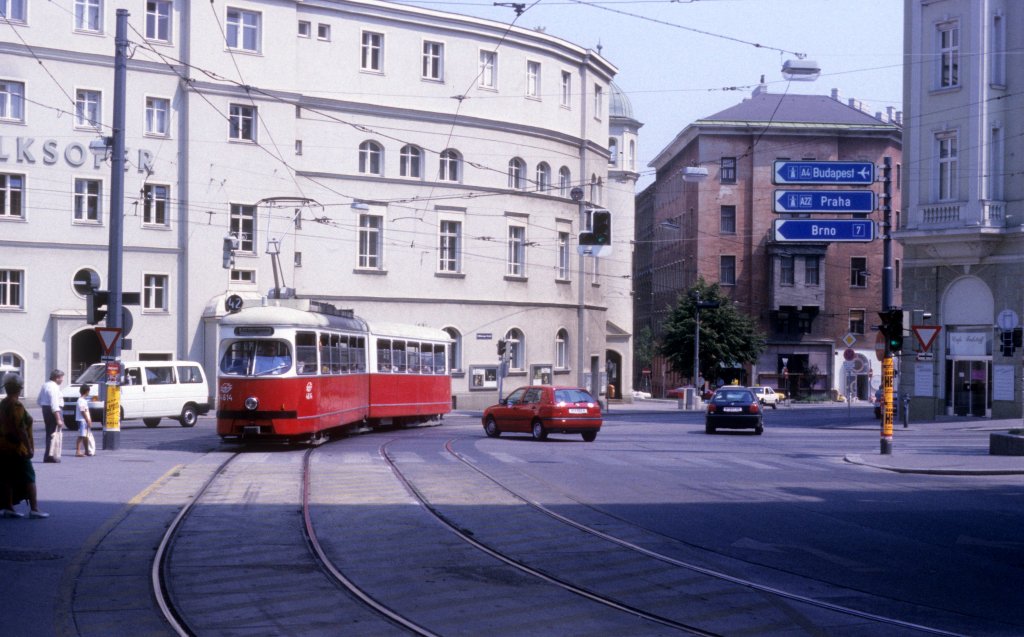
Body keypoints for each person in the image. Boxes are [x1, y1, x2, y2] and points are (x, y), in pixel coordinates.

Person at [0, 374, 49, 518]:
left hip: (3, 446)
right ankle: (34, 508)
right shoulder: (16, 405)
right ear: (19, 389)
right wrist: (29, 447)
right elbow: (21, 428)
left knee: (7, 477)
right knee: (29, 476)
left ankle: (8, 507)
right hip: (17, 448)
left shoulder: (3, 403)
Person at [37, 369, 65, 463]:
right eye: (61, 378)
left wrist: (46, 408)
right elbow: (54, 403)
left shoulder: (45, 385)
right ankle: (51, 455)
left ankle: (48, 455)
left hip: (45, 409)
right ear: (56, 378)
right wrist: (58, 419)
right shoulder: (54, 387)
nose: (62, 380)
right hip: (54, 411)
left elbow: (39, 400)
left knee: (49, 434)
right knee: (54, 434)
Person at [75, 384, 94, 457]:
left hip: (84, 420)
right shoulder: (81, 400)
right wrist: (87, 420)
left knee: (85, 436)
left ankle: (86, 450)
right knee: (81, 435)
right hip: (82, 420)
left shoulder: (83, 400)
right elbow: (82, 411)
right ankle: (78, 451)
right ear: (86, 391)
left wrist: (89, 420)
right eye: (89, 391)